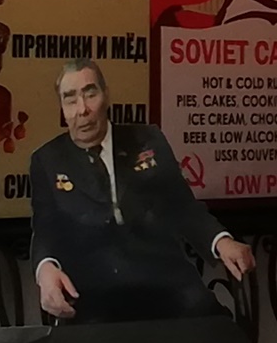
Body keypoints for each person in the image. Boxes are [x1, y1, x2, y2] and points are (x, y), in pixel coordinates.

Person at [25, 61, 257, 325]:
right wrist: (46, 268)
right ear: (62, 108)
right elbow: (46, 227)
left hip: (163, 282)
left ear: (106, 95)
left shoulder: (147, 139)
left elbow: (182, 205)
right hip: (94, 291)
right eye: (70, 99)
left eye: (90, 94)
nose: (83, 109)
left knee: (215, 330)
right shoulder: (48, 160)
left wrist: (221, 241)